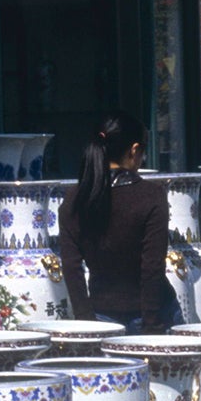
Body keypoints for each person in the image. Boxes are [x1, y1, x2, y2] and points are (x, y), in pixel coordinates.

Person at [56, 110, 175, 333]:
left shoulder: (73, 200)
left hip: (101, 314)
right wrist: (152, 328)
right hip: (153, 314)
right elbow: (152, 267)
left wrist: (86, 323)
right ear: (134, 150)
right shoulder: (150, 196)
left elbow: (72, 269)